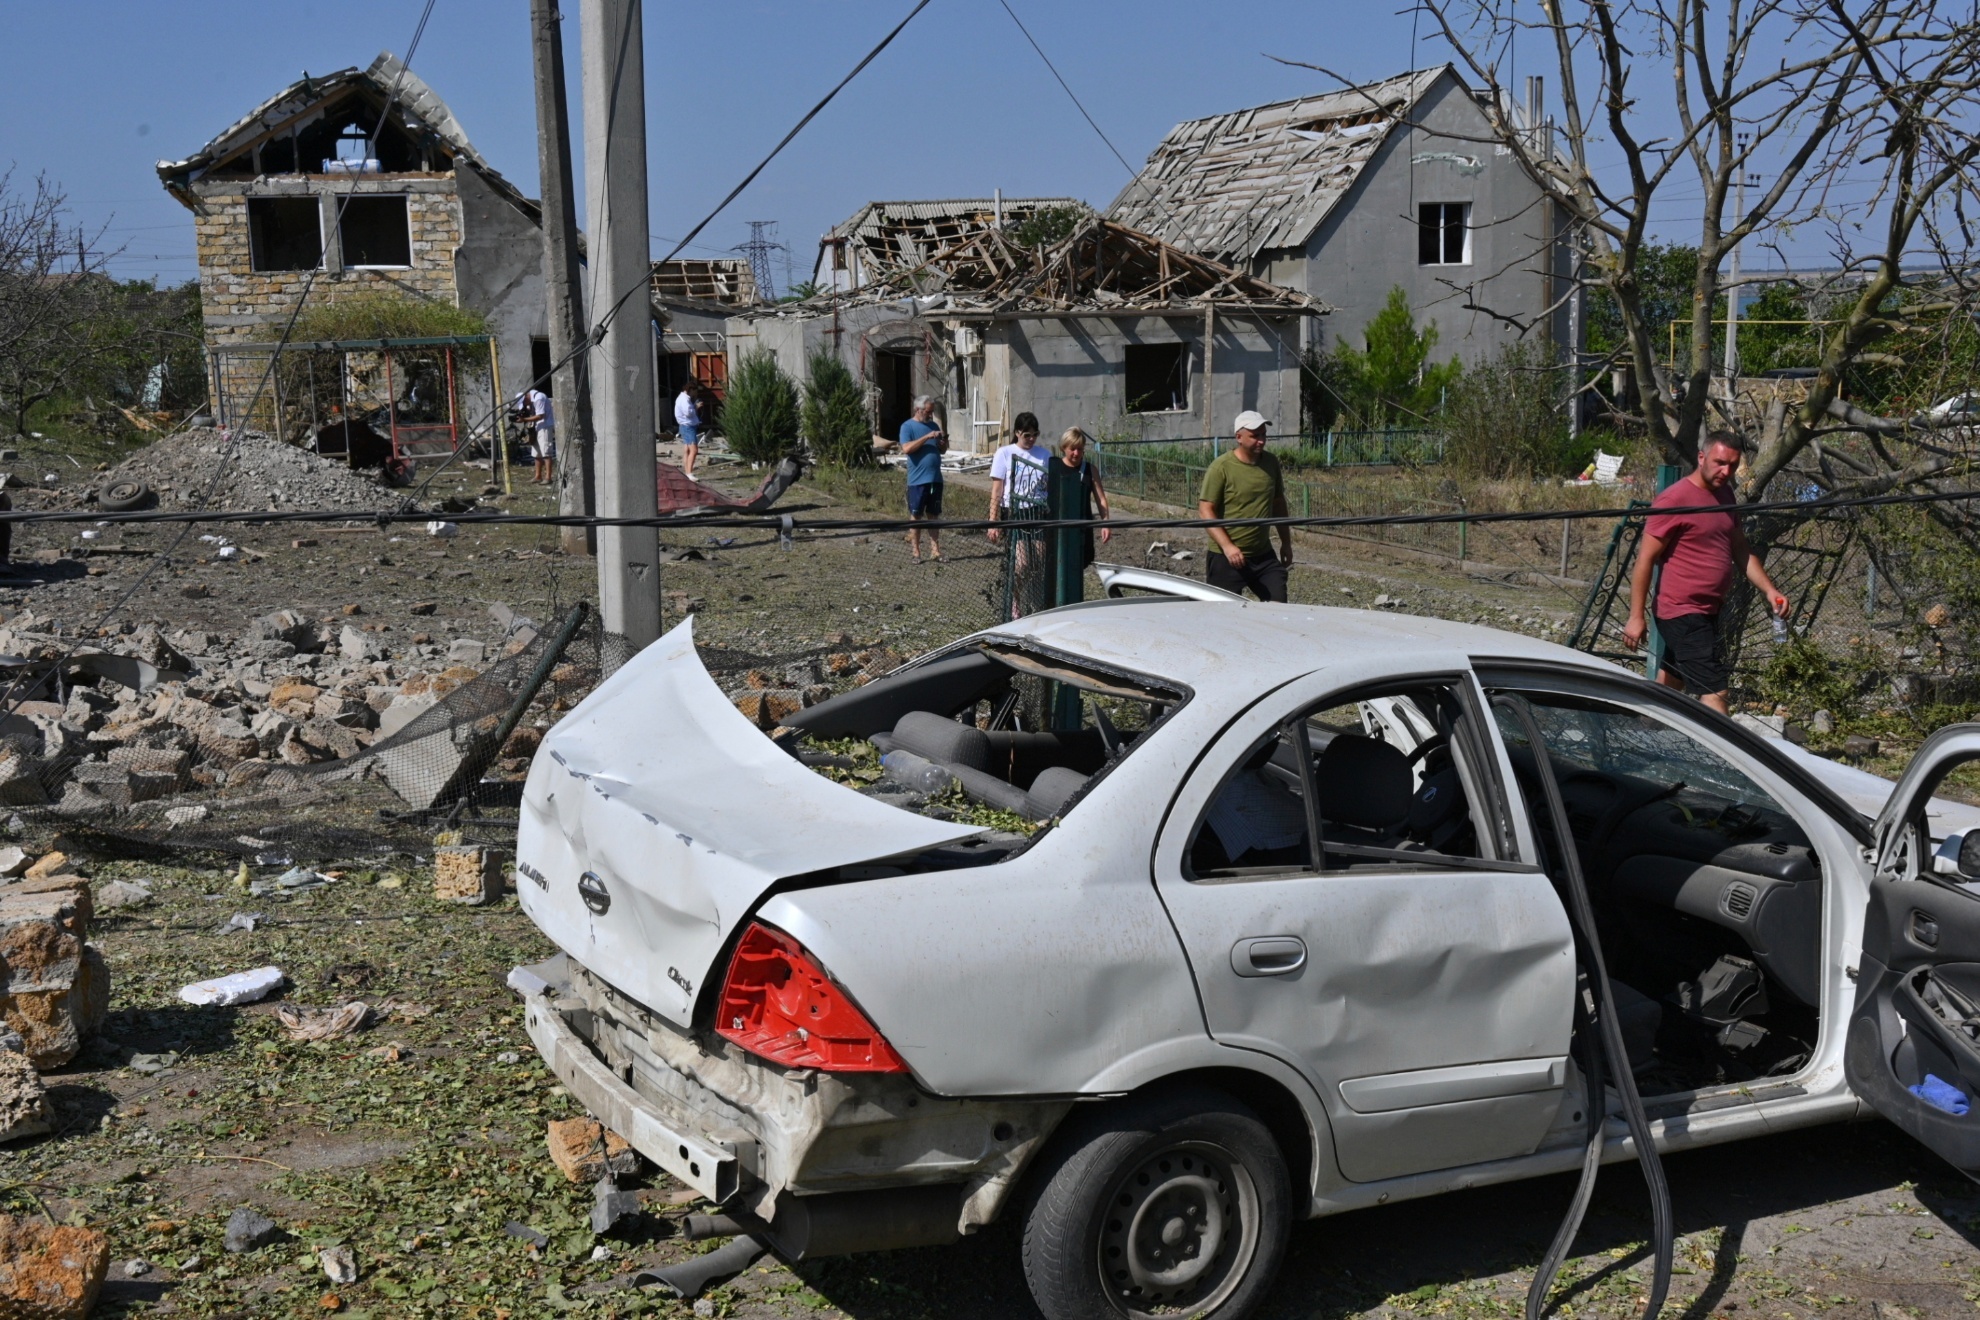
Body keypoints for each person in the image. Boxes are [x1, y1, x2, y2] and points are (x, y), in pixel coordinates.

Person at [1622, 433, 1790, 715]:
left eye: (1733, 466)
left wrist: (1769, 590)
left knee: (1671, 681)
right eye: (1720, 463)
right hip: (1681, 611)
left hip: (1709, 609)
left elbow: (1741, 550)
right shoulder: (1674, 500)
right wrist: (1636, 617)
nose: (1726, 472)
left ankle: (1643, 730)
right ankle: (1726, 757)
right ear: (1702, 458)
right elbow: (1645, 560)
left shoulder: (1725, 495)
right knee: (1715, 690)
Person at [1198, 410, 1292, 601]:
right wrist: (1228, 547)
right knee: (1224, 615)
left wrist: (1286, 543)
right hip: (1227, 557)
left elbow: (1278, 503)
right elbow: (1205, 509)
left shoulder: (1271, 463)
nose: (1261, 440)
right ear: (1239, 437)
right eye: (1255, 436)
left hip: (1262, 555)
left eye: (1263, 435)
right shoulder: (1221, 468)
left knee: (1278, 605)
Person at [986, 412, 1051, 543]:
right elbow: (997, 489)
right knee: (1021, 561)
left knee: (1040, 556)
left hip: (1038, 510)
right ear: (1017, 433)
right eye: (1027, 435)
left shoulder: (1045, 454)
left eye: (1035, 435)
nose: (1032, 439)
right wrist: (993, 521)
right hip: (1014, 511)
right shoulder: (1004, 453)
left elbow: (1051, 484)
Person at [1051, 427, 1111, 566]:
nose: (1076, 453)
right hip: (1059, 528)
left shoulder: (1090, 470)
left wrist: (1106, 523)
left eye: (1080, 449)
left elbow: (1101, 499)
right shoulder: (1054, 468)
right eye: (1072, 449)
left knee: (1079, 566)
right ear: (1064, 448)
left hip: (1083, 528)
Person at [899, 395, 948, 562]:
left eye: (932, 412)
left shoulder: (934, 425)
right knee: (916, 515)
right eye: (928, 412)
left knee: (933, 515)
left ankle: (935, 551)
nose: (931, 415)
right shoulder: (907, 427)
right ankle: (916, 552)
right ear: (918, 410)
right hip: (918, 480)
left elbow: (942, 450)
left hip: (935, 479)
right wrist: (927, 437)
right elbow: (906, 448)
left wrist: (942, 446)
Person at [516, 386, 555, 485]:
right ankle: (538, 476)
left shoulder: (539, 398)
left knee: (546, 452)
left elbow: (540, 415)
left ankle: (548, 477)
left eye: (524, 403)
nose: (525, 405)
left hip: (544, 426)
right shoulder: (530, 401)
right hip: (536, 427)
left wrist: (524, 420)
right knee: (536, 453)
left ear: (526, 398)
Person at [675, 383, 703, 478]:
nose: (695, 393)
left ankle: (687, 472)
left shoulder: (684, 398)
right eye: (695, 391)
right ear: (690, 390)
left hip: (685, 426)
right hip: (688, 427)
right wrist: (696, 407)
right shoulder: (684, 399)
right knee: (694, 450)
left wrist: (694, 405)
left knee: (687, 450)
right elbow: (688, 413)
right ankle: (690, 473)